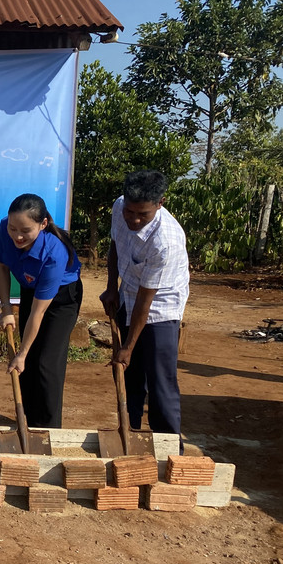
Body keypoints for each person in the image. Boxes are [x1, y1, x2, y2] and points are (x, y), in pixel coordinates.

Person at [100, 170, 189, 440]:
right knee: (131, 377)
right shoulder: (119, 206)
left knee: (160, 383)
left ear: (160, 203)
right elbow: (116, 243)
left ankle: (170, 449)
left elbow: (146, 300)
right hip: (128, 291)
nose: (134, 219)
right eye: (130, 212)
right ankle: (132, 434)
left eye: (143, 215)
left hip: (160, 305)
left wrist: (127, 347)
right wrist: (111, 286)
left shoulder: (165, 242)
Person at [0, 193, 82, 428]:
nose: (17, 236)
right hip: (30, 288)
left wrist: (21, 354)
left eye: (25, 230)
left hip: (62, 298)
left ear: (43, 224)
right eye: (13, 228)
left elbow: (38, 313)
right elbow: (2, 268)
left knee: (45, 362)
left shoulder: (55, 253)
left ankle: (49, 428)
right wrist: (6, 308)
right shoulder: (6, 228)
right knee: (29, 362)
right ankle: (28, 422)